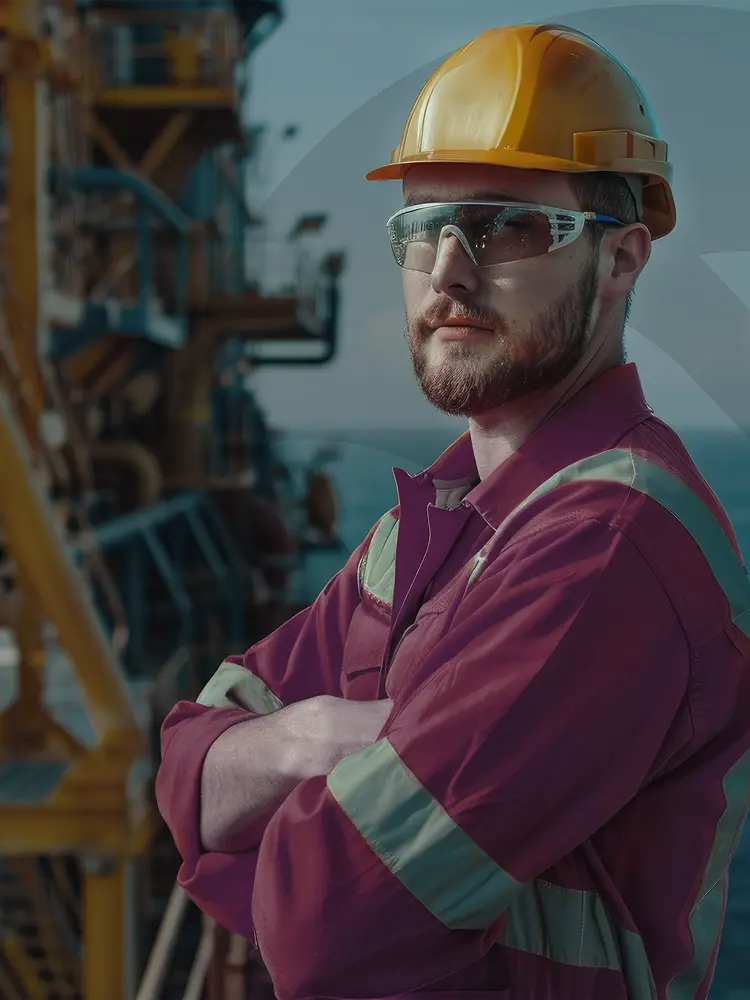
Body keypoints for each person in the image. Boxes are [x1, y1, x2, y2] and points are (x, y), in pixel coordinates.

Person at [155, 23, 750, 1000]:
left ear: (621, 260)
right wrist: (314, 735)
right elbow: (187, 765)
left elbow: (330, 923)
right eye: (421, 228)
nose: (448, 271)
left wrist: (268, 790)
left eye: (508, 227)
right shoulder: (435, 520)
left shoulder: (613, 543)